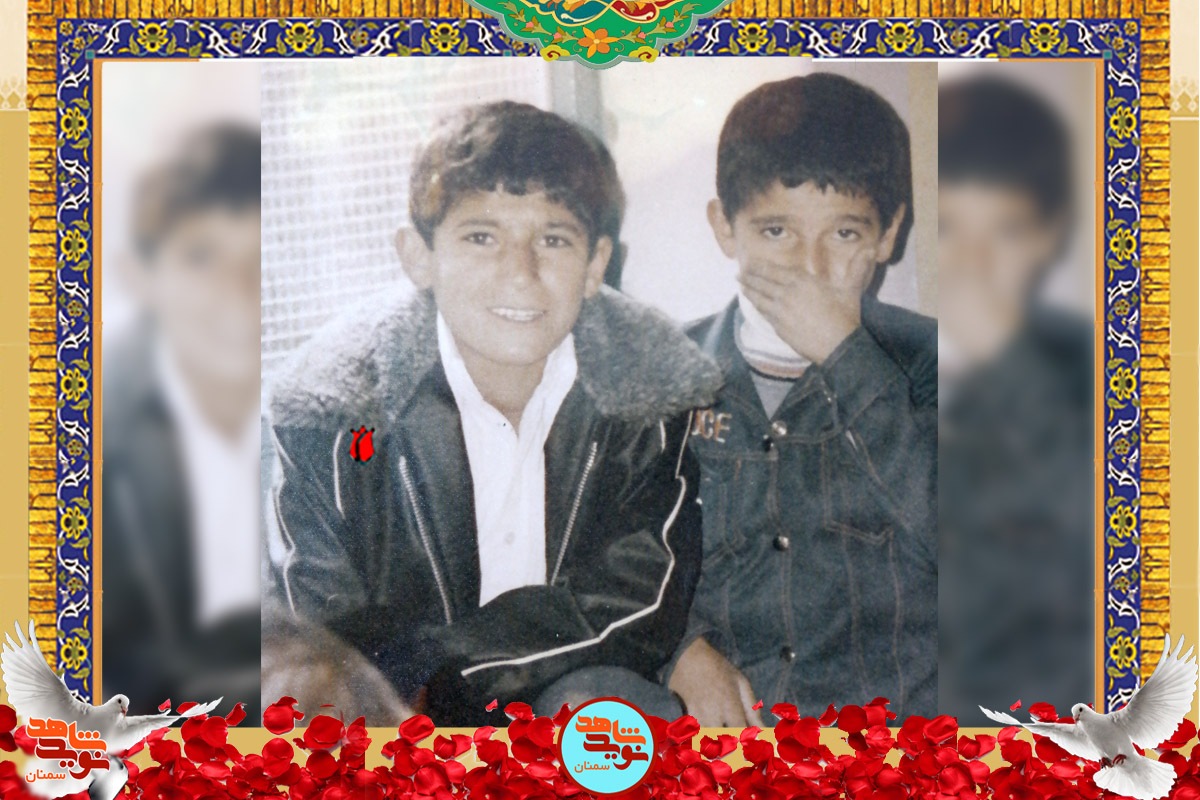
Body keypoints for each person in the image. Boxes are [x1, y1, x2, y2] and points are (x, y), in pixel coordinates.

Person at [264, 101, 722, 724]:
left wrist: (441, 668)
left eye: (553, 240)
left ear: (595, 265)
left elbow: (637, 597)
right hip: (395, 714)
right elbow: (323, 631)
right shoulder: (333, 416)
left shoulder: (645, 396)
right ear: (418, 256)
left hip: (558, 690)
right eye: (481, 237)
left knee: (610, 706)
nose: (520, 273)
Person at [668, 73, 938, 724]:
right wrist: (677, 650)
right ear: (724, 228)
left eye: (843, 234)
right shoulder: (664, 373)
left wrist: (849, 359)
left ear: (889, 233)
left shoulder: (942, 361)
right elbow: (610, 557)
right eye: (776, 232)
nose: (808, 269)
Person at [937, 75, 1094, 725]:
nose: (970, 264)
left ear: (1050, 234)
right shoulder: (886, 357)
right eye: (947, 227)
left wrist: (1008, 369)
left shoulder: (1095, 370)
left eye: (1004, 230)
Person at [101, 123, 262, 719]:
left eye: (259, 258)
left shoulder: (326, 421)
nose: (238, 289)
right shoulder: (84, 437)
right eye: (201, 257)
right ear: (139, 277)